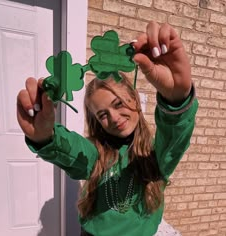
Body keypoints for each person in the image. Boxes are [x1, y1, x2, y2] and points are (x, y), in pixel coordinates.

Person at [17, 21, 198, 236]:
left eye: (118, 104)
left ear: (134, 100)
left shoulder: (156, 154)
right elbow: (74, 151)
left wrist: (177, 99)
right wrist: (47, 138)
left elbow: (174, 135)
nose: (113, 118)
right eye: (102, 114)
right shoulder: (97, 153)